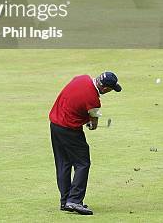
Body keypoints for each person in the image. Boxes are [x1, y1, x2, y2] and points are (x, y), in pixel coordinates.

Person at [49, 71, 122, 216]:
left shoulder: (82, 78)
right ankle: (75, 200)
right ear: (106, 88)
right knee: (83, 163)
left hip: (55, 125)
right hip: (69, 130)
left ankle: (65, 201)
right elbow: (93, 124)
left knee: (63, 163)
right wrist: (90, 123)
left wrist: (84, 118)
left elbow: (75, 101)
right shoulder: (94, 100)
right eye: (111, 89)